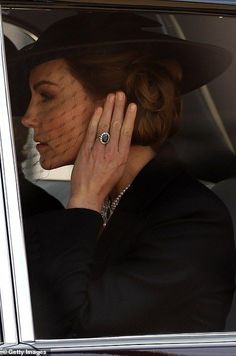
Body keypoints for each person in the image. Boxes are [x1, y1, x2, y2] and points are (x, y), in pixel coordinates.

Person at [13, 12, 235, 338]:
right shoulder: (98, 204)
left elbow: (70, 331)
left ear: (114, 104)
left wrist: (85, 200)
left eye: (46, 96)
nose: (28, 118)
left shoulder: (192, 220)